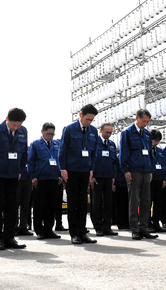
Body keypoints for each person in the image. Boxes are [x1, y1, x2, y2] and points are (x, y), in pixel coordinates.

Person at [0, 108, 29, 250]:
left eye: (19, 125)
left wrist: (21, 169)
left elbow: (25, 153)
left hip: (14, 174)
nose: (16, 128)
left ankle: (10, 237)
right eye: (14, 125)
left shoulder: (23, 131)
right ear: (7, 119)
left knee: (12, 206)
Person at [59, 104, 99, 245]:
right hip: (71, 171)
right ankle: (74, 234)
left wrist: (92, 169)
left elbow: (94, 153)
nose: (89, 122)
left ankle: (83, 232)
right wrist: (62, 169)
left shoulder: (93, 131)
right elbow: (62, 150)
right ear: (81, 115)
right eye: (87, 119)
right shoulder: (69, 129)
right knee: (73, 202)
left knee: (83, 203)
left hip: (85, 171)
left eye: (91, 120)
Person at [119, 109, 157, 240]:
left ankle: (144, 228)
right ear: (137, 118)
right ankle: (135, 229)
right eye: (143, 121)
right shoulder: (127, 133)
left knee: (146, 200)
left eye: (147, 121)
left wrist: (150, 170)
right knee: (134, 200)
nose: (145, 124)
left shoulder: (147, 134)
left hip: (146, 170)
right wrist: (126, 170)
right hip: (134, 170)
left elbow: (150, 154)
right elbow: (123, 154)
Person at [27, 123, 62, 240]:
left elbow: (59, 160)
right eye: (48, 134)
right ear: (42, 132)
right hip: (40, 179)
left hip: (54, 179)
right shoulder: (36, 144)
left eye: (52, 134)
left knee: (51, 205)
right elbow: (31, 161)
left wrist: (60, 174)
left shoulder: (57, 144)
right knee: (39, 206)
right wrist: (33, 176)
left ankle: (49, 229)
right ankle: (39, 230)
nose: (50, 136)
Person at [90, 122, 119, 237]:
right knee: (96, 203)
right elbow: (91, 159)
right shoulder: (94, 143)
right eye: (107, 132)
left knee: (108, 203)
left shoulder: (111, 144)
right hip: (97, 177)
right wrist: (91, 176)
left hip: (108, 177)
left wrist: (113, 177)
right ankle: (98, 227)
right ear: (100, 131)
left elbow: (114, 162)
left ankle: (107, 227)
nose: (109, 134)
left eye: (110, 132)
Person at [149, 129, 166, 233]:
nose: (156, 142)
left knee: (158, 202)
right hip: (150, 180)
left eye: (158, 140)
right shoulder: (146, 149)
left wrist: (164, 178)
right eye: (155, 140)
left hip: (159, 179)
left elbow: (164, 165)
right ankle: (148, 223)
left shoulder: (160, 151)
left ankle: (156, 223)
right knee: (148, 202)